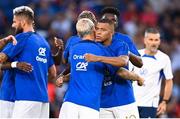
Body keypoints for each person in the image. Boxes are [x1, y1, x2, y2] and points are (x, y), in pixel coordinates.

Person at [0, 6, 56, 118]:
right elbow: (53, 73)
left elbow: (1, 60)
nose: (12, 25)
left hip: (23, 97)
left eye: (14, 22)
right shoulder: (44, 42)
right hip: (43, 99)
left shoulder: (20, 38)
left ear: (23, 22)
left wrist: (3, 42)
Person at [59, 18, 117, 119]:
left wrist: (62, 78)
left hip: (69, 102)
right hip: (90, 105)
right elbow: (117, 70)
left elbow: (76, 71)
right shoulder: (102, 50)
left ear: (78, 33)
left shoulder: (73, 49)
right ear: (93, 29)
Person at [84, 18, 140, 119]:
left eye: (103, 30)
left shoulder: (121, 45)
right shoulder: (92, 48)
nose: (98, 32)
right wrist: (63, 77)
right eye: (97, 29)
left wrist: (98, 58)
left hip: (124, 100)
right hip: (102, 103)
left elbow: (123, 61)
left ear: (111, 32)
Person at [132, 28, 173, 118]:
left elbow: (169, 81)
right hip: (131, 102)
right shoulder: (136, 55)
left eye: (156, 40)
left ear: (159, 41)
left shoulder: (164, 58)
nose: (154, 43)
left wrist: (164, 101)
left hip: (150, 104)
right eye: (151, 39)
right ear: (145, 40)